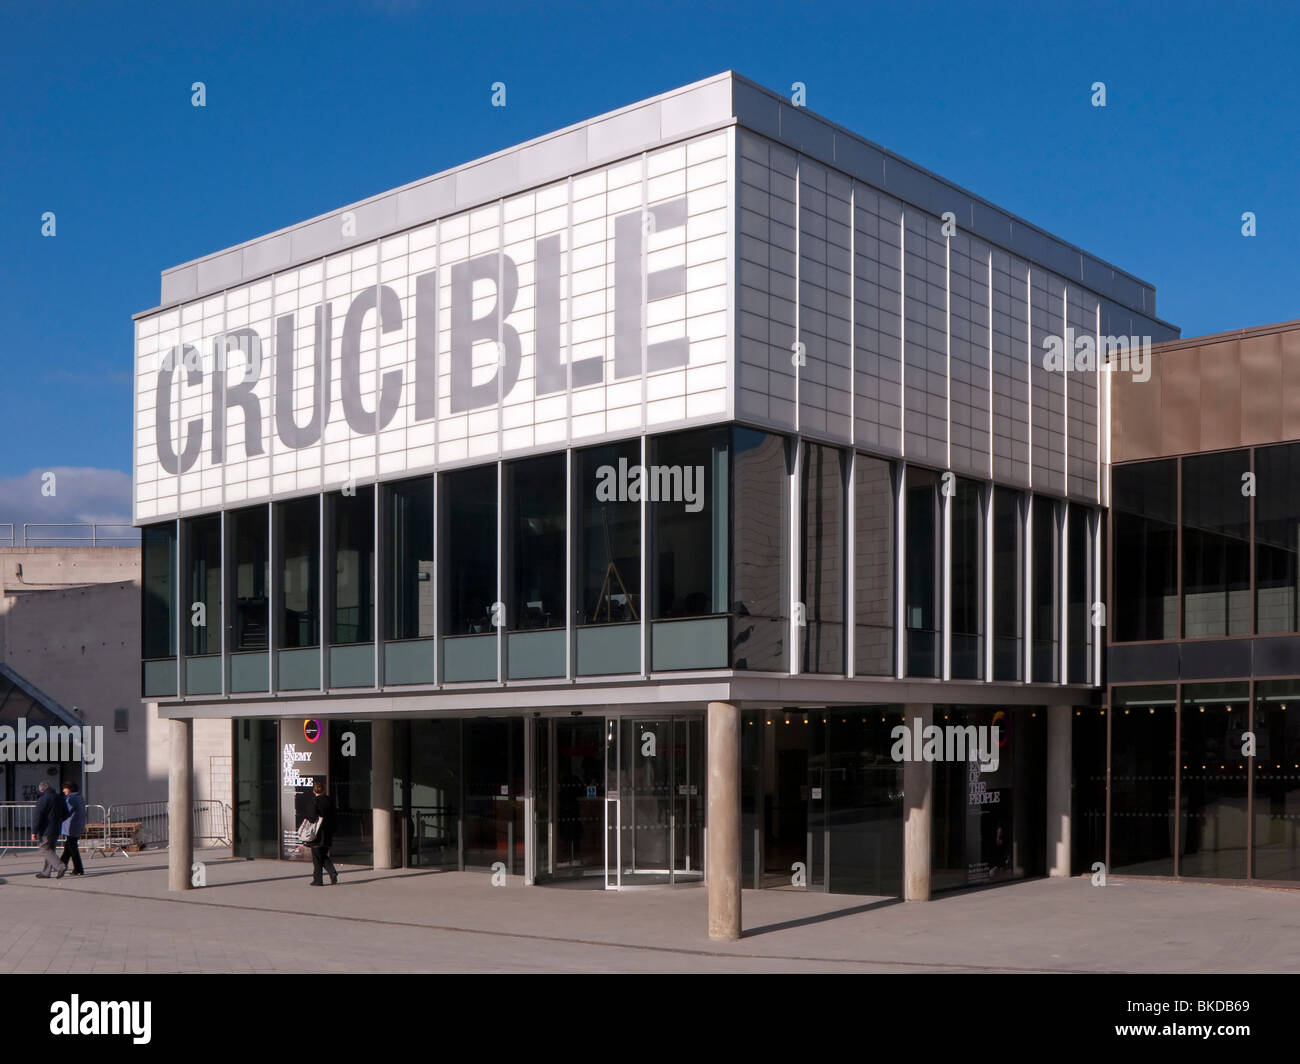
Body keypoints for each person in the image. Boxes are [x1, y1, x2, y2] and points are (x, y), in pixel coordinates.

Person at [31, 779, 67, 879]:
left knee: (44, 848)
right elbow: (66, 813)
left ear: (41, 790)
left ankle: (60, 866)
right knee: (51, 850)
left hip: (46, 829)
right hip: (56, 828)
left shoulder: (43, 799)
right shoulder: (59, 797)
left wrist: (34, 831)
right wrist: (58, 821)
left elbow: (37, 816)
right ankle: (46, 872)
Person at [305, 779, 337, 886]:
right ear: (323, 790)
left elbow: (312, 818)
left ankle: (318, 880)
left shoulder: (314, 802)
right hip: (327, 832)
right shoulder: (330, 801)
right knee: (323, 854)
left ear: (314, 791)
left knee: (317, 857)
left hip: (317, 834)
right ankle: (332, 872)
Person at [59, 781, 86, 878]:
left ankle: (76, 868)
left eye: (65, 788)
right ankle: (62, 865)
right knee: (69, 847)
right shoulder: (79, 797)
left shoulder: (71, 799)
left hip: (71, 826)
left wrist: (58, 819)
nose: (63, 790)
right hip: (77, 825)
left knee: (72, 848)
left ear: (69, 789)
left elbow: (66, 812)